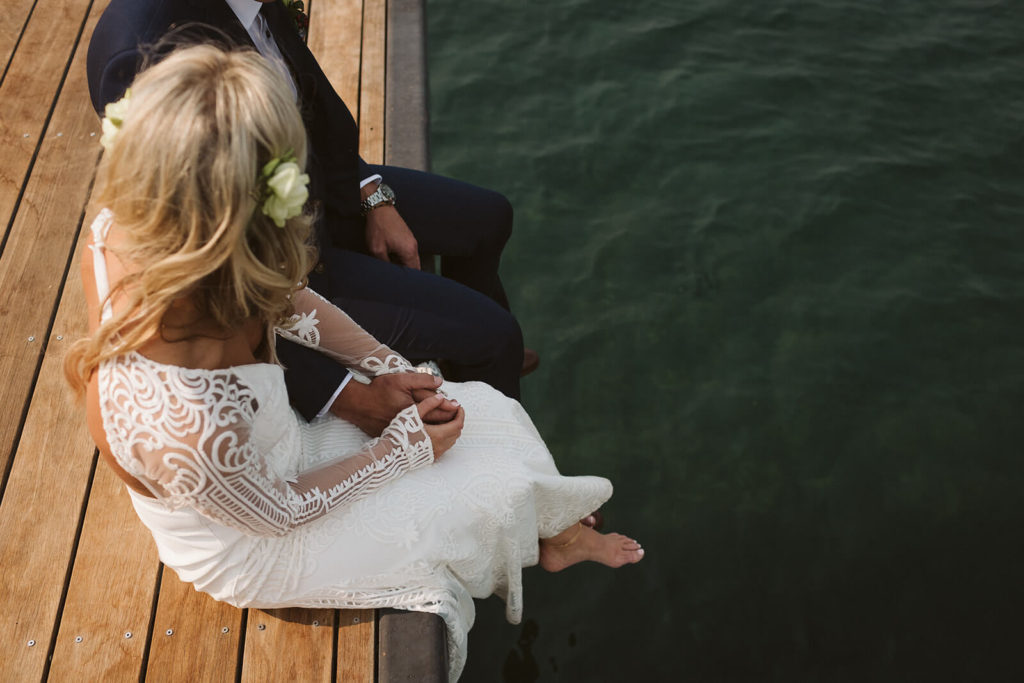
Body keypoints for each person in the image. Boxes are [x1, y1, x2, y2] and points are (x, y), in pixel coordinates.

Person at [66, 46, 643, 680]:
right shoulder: (185, 426)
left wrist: (391, 366)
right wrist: (401, 451)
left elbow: (282, 297)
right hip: (258, 537)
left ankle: (550, 536)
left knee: (489, 411)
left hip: (267, 449)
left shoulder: (155, 230)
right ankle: (546, 536)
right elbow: (276, 514)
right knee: (491, 495)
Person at [86, 0, 537, 435]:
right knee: (496, 335)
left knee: (488, 217)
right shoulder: (144, 53)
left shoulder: (250, 3)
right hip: (276, 269)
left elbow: (310, 105)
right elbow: (206, 289)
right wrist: (344, 395)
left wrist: (371, 194)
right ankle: (499, 433)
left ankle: (473, 365)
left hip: (318, 192)